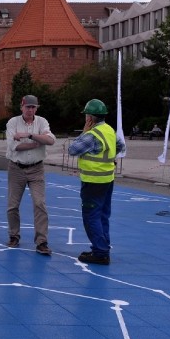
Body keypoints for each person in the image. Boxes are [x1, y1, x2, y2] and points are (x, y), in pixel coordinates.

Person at [67, 99, 125, 266]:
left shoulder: (92, 135)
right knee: (103, 215)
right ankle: (103, 247)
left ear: (90, 118)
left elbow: (72, 150)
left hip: (93, 181)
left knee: (91, 216)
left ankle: (100, 252)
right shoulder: (109, 130)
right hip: (108, 179)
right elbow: (120, 146)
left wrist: (84, 132)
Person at [5, 95, 56, 255]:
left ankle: (42, 241)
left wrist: (29, 136)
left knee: (39, 203)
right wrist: (36, 144)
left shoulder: (42, 121)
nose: (30, 110)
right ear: (22, 107)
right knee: (13, 205)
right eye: (28, 107)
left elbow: (50, 140)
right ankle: (14, 235)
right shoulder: (13, 122)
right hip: (16, 168)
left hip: (36, 168)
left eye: (33, 107)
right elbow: (14, 146)